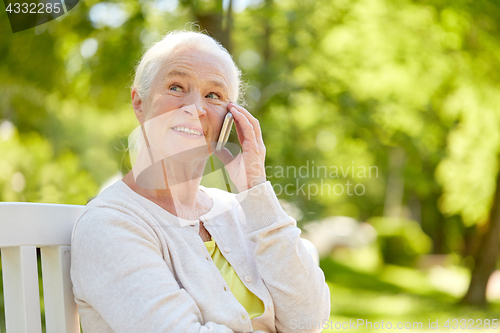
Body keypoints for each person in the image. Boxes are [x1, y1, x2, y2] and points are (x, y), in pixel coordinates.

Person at [70, 29, 330, 333]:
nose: (196, 108)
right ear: (139, 103)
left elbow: (308, 320)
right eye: (176, 87)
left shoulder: (237, 210)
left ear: (230, 119)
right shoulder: (110, 225)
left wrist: (255, 188)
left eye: (213, 95)